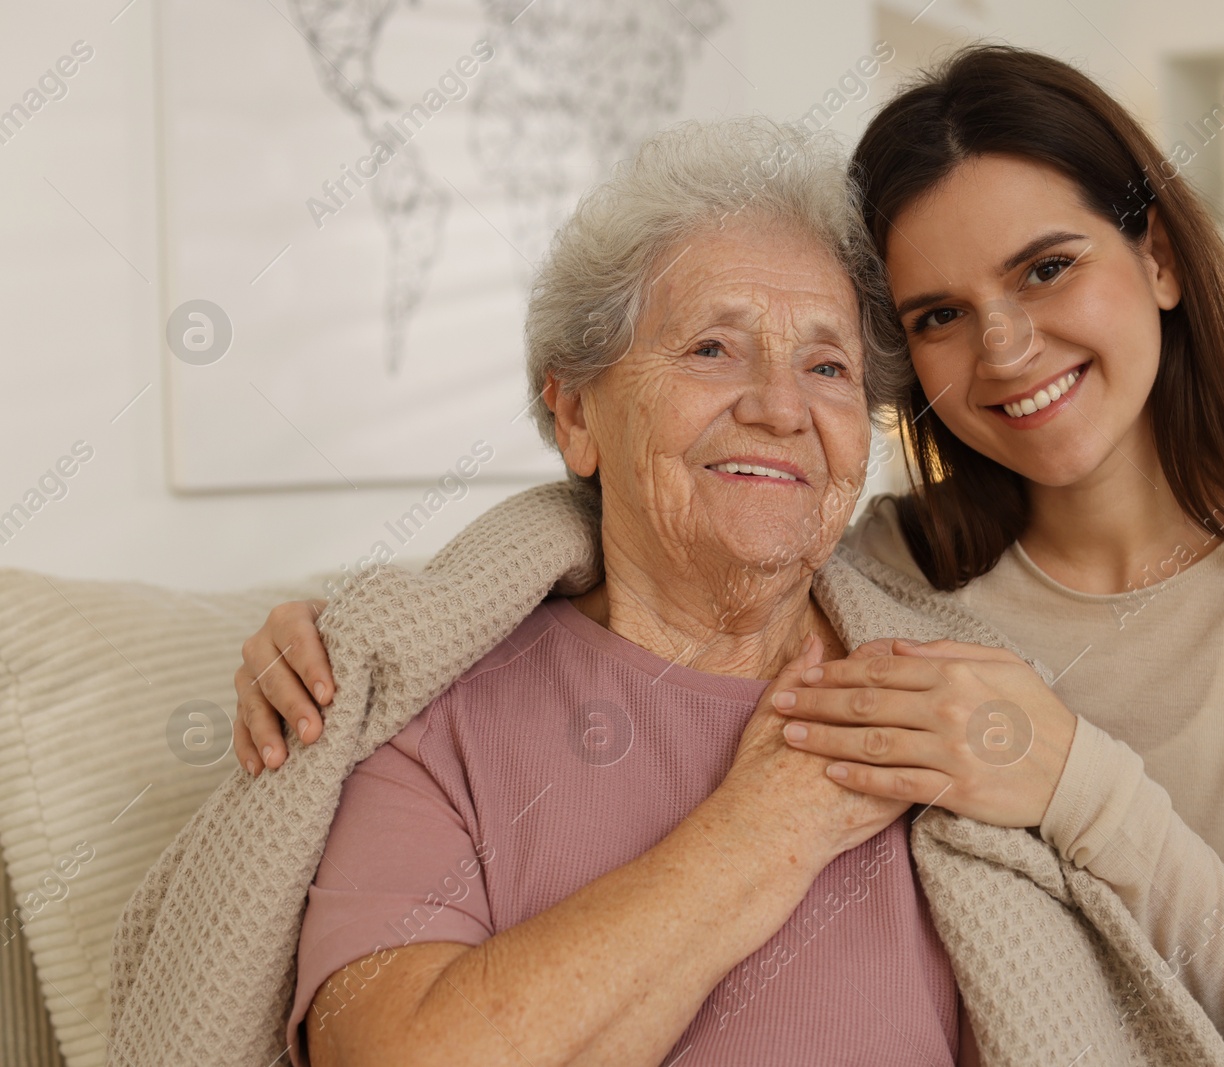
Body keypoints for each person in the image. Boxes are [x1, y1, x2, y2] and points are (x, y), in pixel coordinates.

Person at [235, 47, 1224, 1067]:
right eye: (935, 317)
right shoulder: (890, 572)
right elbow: (663, 532)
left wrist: (1071, 774)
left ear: (1160, 260)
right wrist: (363, 624)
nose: (1008, 346)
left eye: (1048, 266)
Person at [281, 117, 969, 1066]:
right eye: (712, 350)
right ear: (574, 412)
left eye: (827, 367)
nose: (780, 406)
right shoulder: (430, 712)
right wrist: (763, 831)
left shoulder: (943, 702)